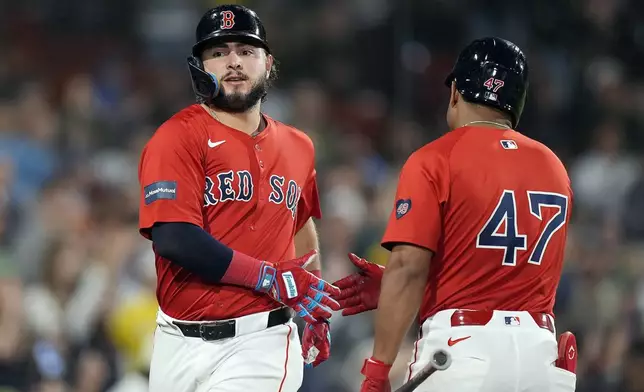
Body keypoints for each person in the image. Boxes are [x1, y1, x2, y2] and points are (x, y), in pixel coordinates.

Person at [333, 37, 578, 392]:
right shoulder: (554, 166)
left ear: (455, 94)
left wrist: (377, 370)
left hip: (463, 351)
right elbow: (502, 267)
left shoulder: (436, 159)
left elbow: (408, 268)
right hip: (541, 356)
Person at [137, 5, 338, 392]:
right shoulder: (176, 136)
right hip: (175, 341)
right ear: (199, 66)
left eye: (246, 51)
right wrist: (267, 276)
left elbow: (299, 226)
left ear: (268, 62)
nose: (233, 62)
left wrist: (314, 308)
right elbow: (174, 237)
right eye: (219, 52)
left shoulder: (299, 146)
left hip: (260, 339)